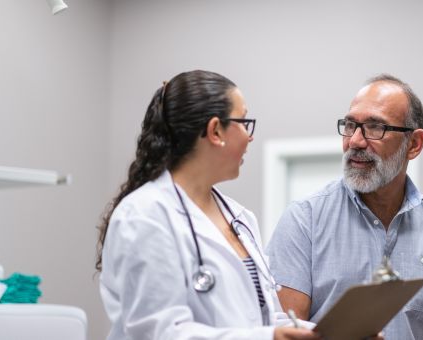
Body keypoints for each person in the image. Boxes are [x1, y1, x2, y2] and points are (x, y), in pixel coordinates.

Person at [95, 70, 322, 340]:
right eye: (244, 122)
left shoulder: (240, 218)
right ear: (215, 130)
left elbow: (262, 316)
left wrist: (332, 334)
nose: (250, 137)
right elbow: (159, 332)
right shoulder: (144, 216)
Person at [266, 74, 423, 340]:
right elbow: (285, 334)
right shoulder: (304, 220)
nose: (355, 141)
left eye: (375, 127)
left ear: (414, 144)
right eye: (350, 125)